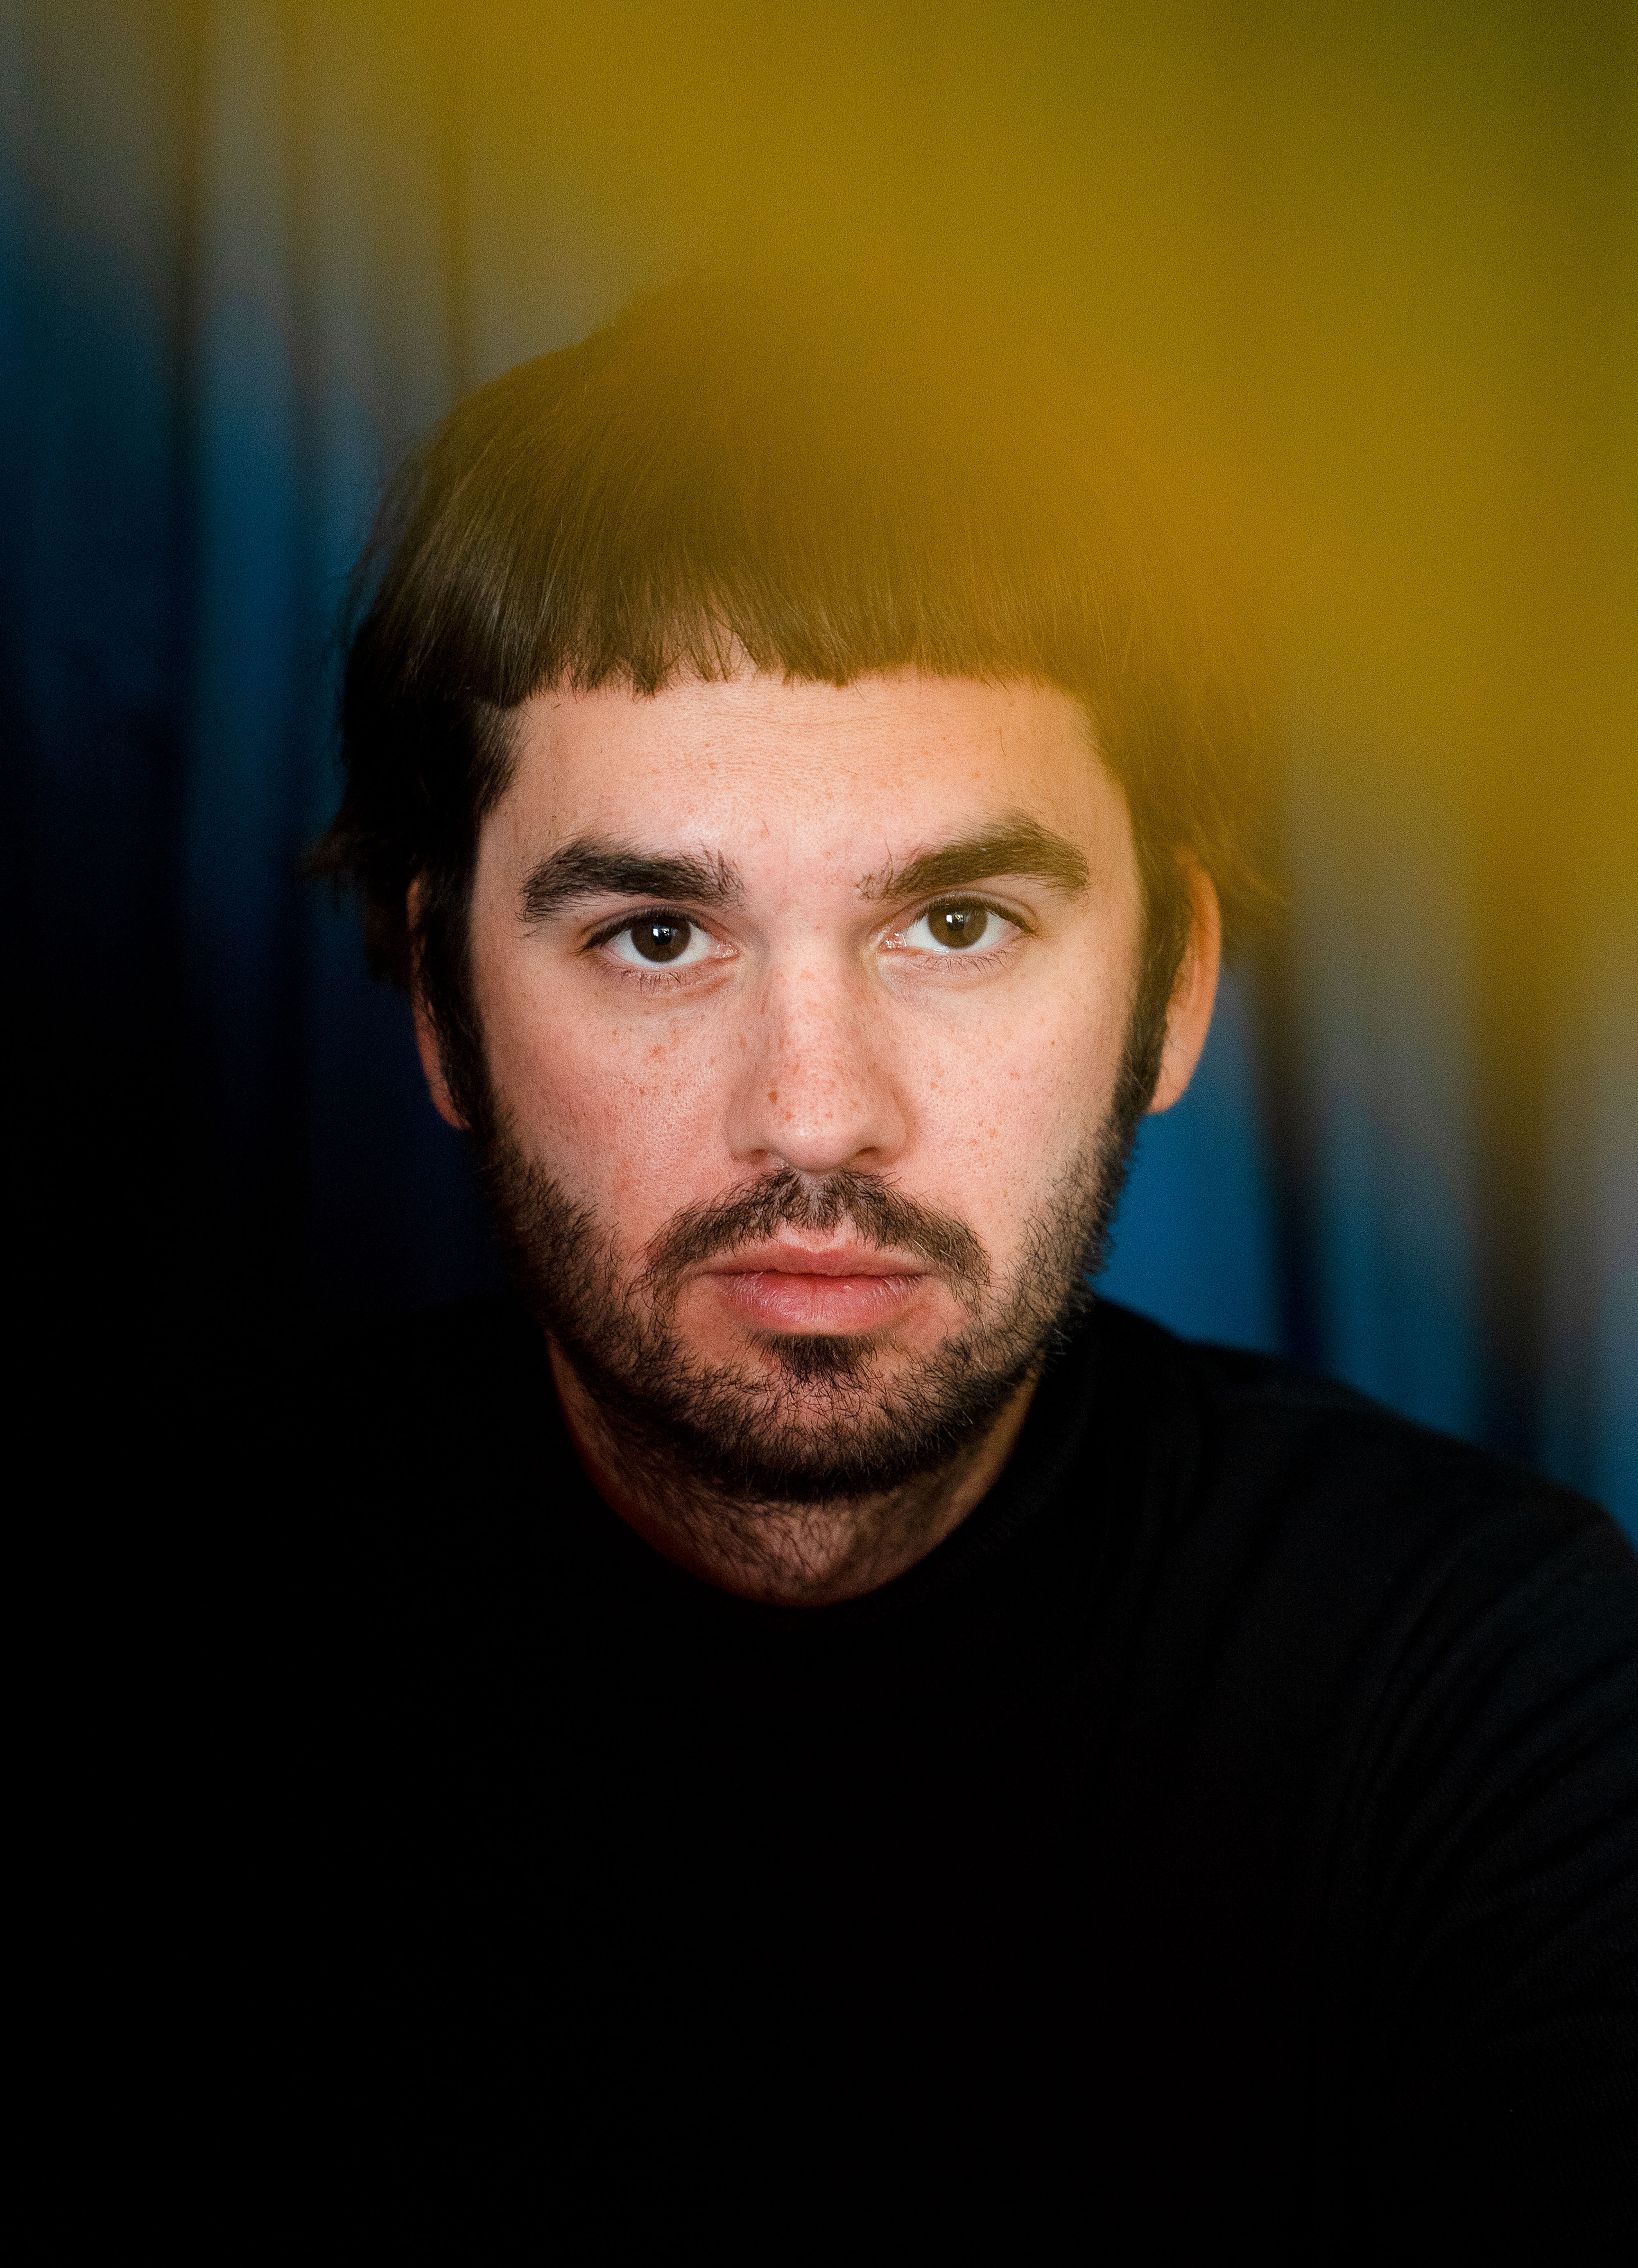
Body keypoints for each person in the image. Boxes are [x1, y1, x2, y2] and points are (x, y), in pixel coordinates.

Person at [296, 276, 1636, 2251]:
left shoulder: (1485, 1696)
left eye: (957, 924)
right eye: (657, 935)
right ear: (440, 1008)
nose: (814, 1116)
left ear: (1173, 988)